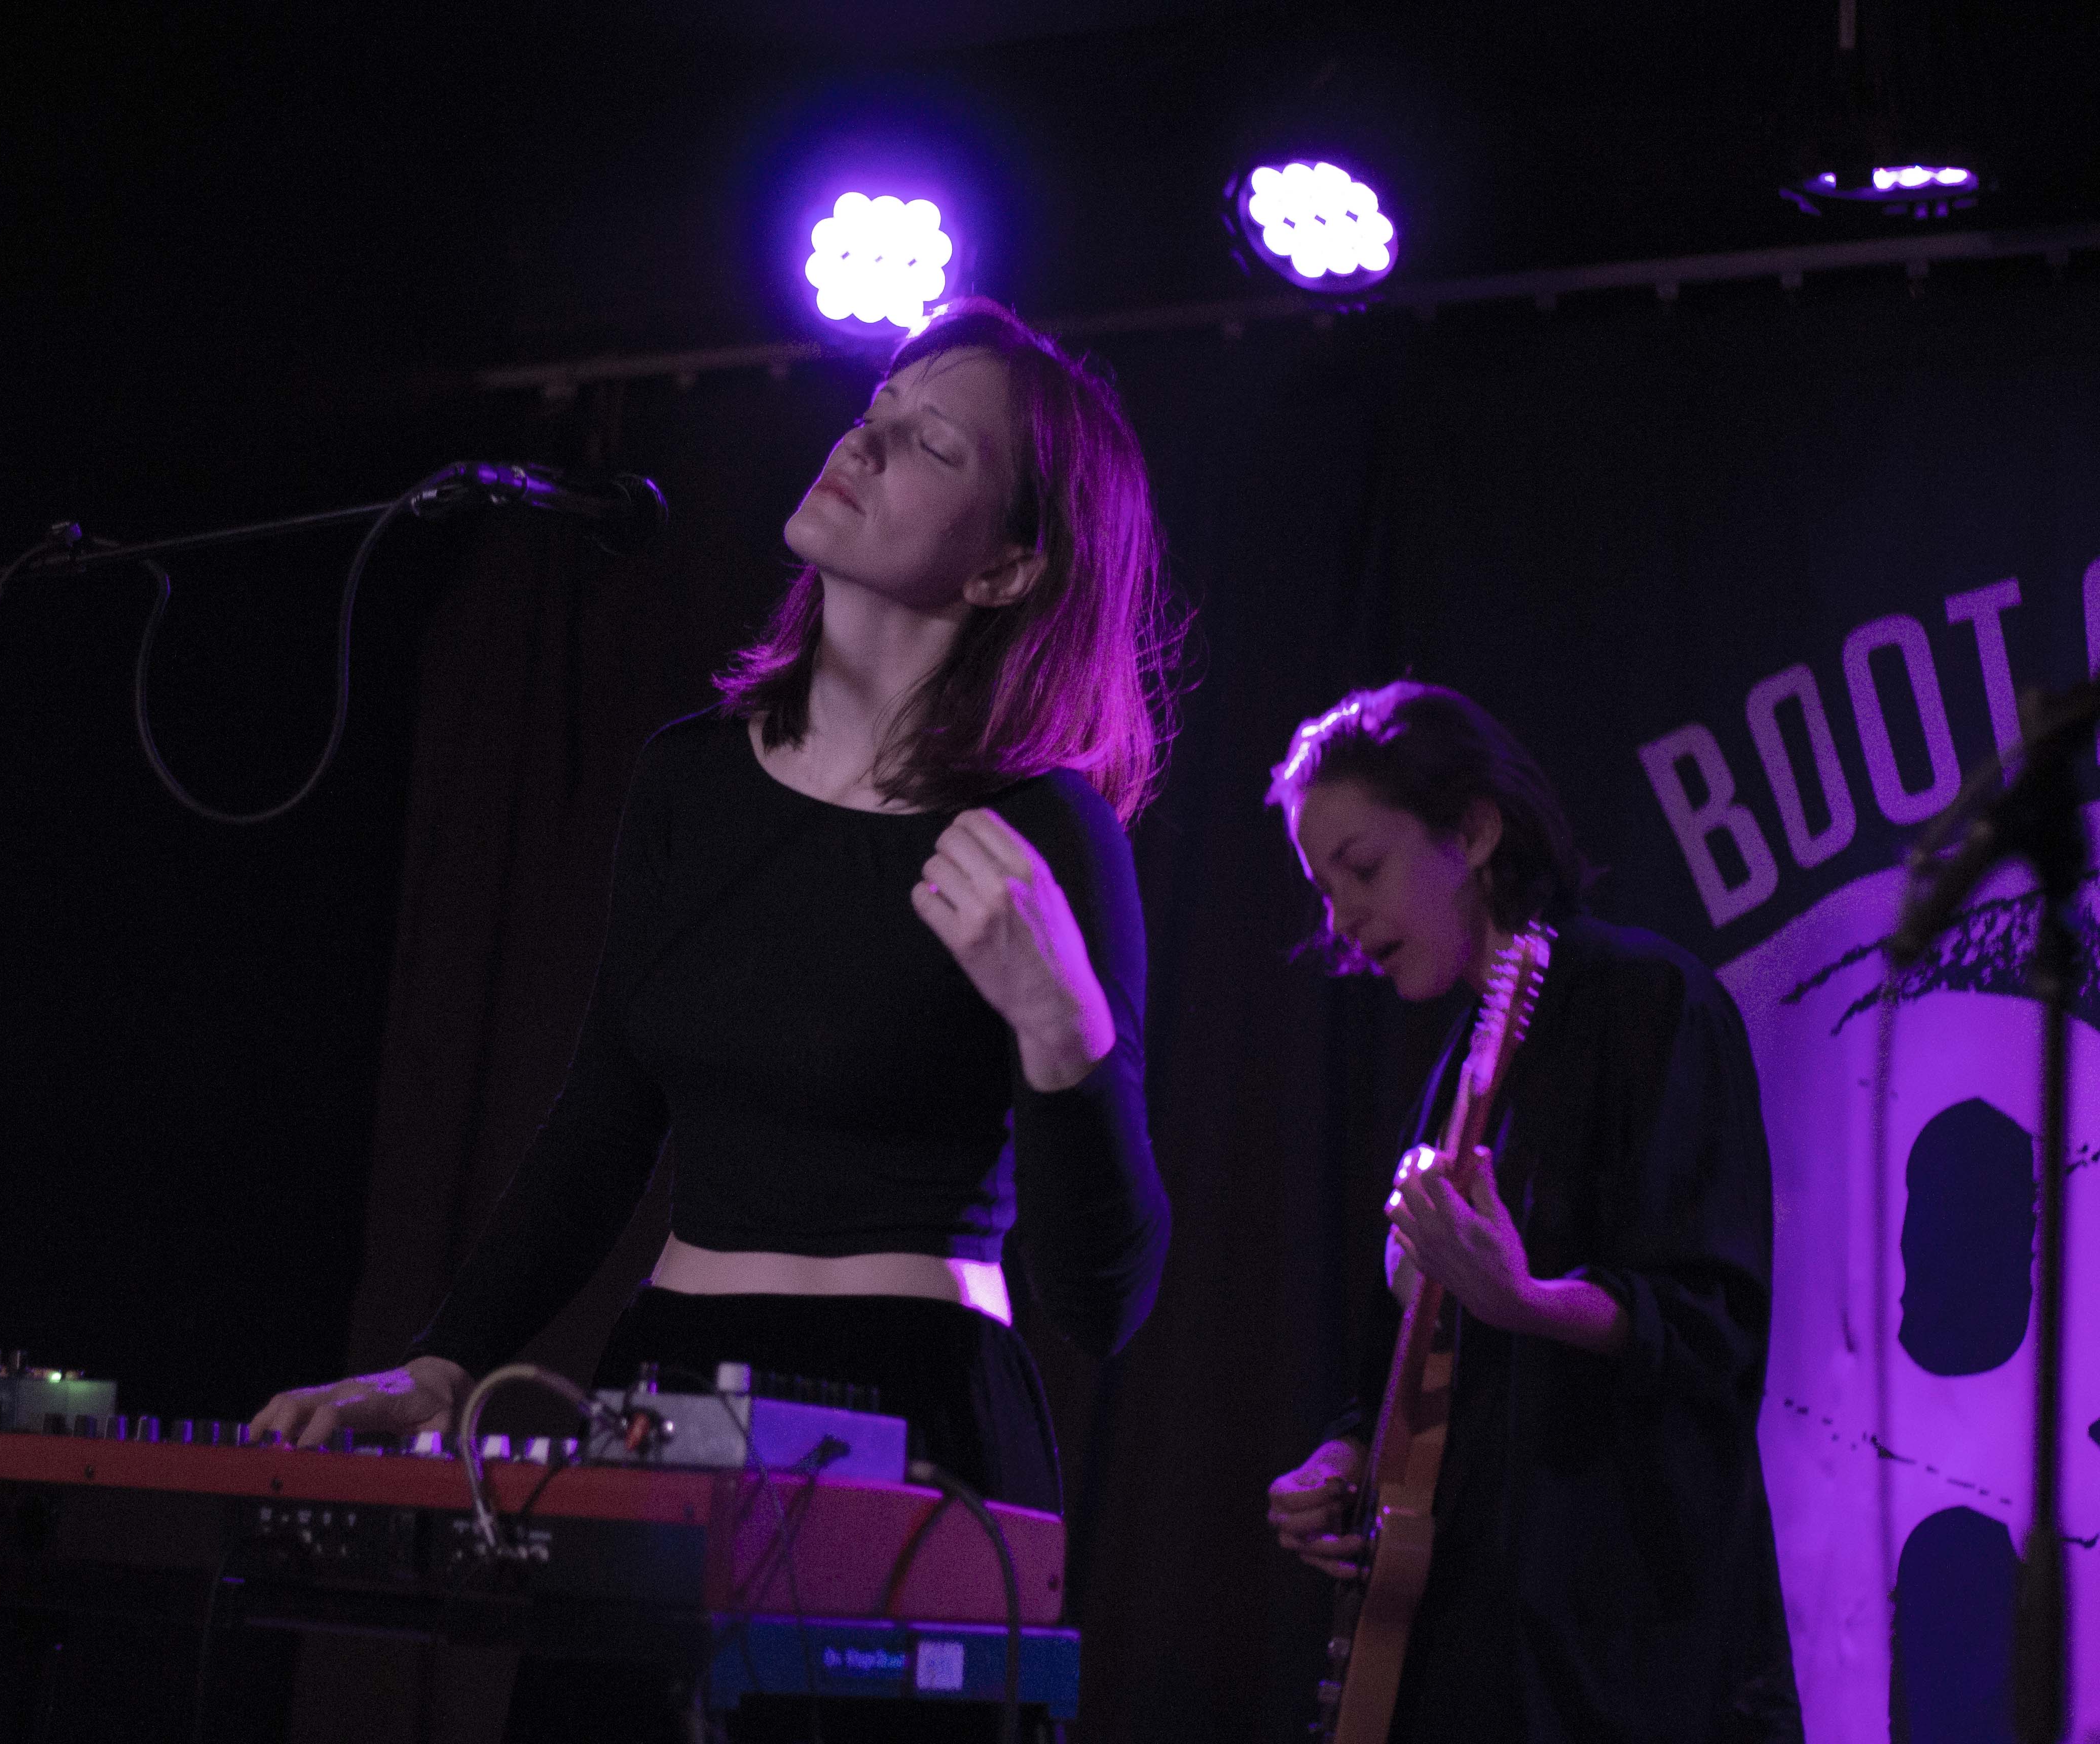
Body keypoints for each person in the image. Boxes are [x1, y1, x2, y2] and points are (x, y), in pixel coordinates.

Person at [251, 299, 1177, 1734]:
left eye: (929, 444)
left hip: (920, 1411)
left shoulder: (1047, 828)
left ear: (1008, 565)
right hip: (666, 1384)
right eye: (874, 412)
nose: (863, 444)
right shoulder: (690, 779)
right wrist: (444, 1360)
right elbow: (603, 1118)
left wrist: (1066, 1033)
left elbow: (1104, 1298)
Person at [1259, 682, 1800, 1743]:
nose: (1342, 919)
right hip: (1465, 1636)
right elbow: (1402, 1373)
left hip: (1620, 1651)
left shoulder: (1652, 1002)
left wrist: (1527, 1300)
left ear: (1473, 830)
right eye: (1323, 891)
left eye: (1362, 869)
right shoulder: (1453, 1076)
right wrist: (1343, 1463)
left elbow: (1713, 1325)